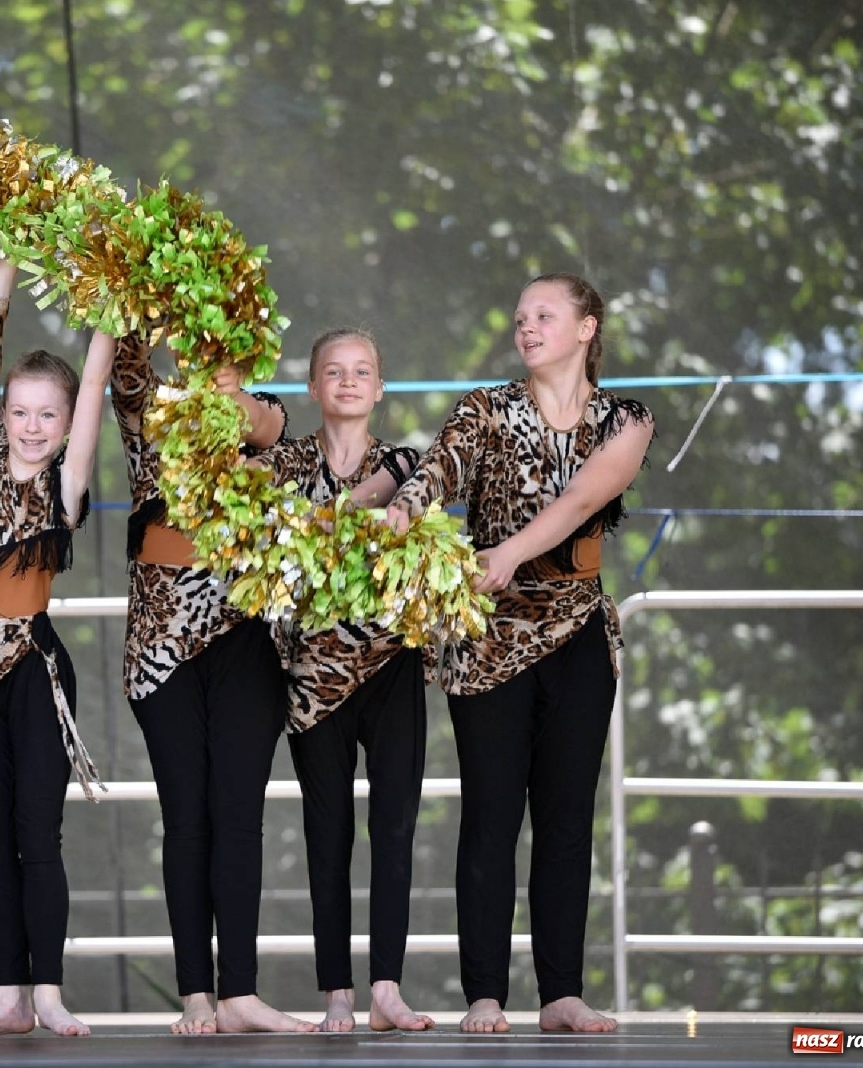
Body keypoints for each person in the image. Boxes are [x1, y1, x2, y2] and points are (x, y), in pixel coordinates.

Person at [386, 273, 653, 1034]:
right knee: (491, 816)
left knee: (567, 817)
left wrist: (505, 552)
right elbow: (438, 469)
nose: (525, 326)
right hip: (491, 636)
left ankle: (562, 992)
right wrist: (404, 511)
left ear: (586, 328)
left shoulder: (625, 419)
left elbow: (581, 502)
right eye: (519, 317)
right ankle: (485, 996)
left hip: (576, 631)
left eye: (544, 314)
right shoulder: (485, 409)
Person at [111, 337, 318, 1035]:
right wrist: (139, 287)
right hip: (162, 648)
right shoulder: (148, 410)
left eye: (221, 350)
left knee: (238, 816)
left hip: (244, 639)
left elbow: (269, 424)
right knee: (187, 819)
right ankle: (195, 993)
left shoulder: (264, 418)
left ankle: (240, 993)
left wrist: (227, 390)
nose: (204, 360)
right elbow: (125, 367)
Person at [0, 260, 116, 1038]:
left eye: (50, 414)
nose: (34, 426)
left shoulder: (63, 488)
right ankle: (9, 993)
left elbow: (87, 422)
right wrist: (5, 264)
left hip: (34, 672)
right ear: (2, 414)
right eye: (22, 411)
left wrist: (111, 306)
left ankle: (47, 990)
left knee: (35, 836)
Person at [252, 328, 433, 1033]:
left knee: (393, 828)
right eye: (335, 371)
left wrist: (333, 522)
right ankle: (337, 994)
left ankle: (386, 986)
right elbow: (275, 549)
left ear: (380, 388)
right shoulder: (282, 466)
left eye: (362, 372)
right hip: (311, 676)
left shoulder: (411, 465)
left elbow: (405, 524)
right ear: (313, 387)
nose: (350, 382)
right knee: (327, 833)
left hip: (391, 667)